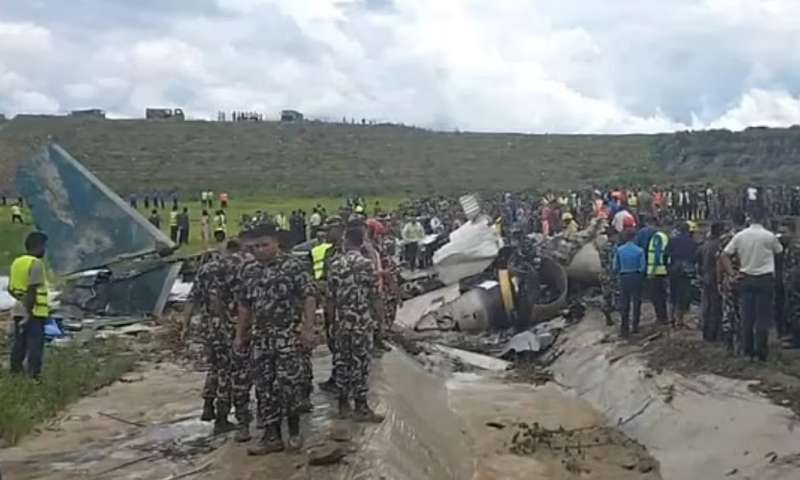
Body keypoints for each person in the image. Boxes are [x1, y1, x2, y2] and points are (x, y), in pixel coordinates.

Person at [236, 223, 318, 454]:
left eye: (265, 245)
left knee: (289, 385)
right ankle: (271, 437)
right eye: (256, 246)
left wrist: (308, 328)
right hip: (261, 339)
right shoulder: (249, 270)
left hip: (288, 336)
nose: (260, 250)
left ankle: (293, 432)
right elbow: (244, 305)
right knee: (264, 388)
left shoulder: (293, 266)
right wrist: (239, 335)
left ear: (276, 244)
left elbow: (309, 296)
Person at [180, 240, 252, 438]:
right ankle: (225, 417)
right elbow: (246, 303)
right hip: (234, 328)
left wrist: (185, 324)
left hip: (211, 328)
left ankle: (208, 405)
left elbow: (192, 298)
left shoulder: (206, 269)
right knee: (235, 373)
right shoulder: (242, 268)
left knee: (216, 367)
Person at [328, 222, 385, 422]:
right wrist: (380, 322)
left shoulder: (335, 264)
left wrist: (331, 323)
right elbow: (374, 296)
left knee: (342, 362)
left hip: (341, 321)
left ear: (345, 242)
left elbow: (330, 297)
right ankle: (361, 406)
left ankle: (343, 405)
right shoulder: (366, 264)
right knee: (360, 363)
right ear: (361, 243)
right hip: (361, 321)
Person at [721, 210, 783, 361]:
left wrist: (732, 274)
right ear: (764, 220)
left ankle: (747, 352)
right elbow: (779, 252)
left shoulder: (740, 236)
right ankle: (761, 353)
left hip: (746, 279)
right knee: (763, 317)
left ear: (750, 220)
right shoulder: (769, 236)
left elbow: (724, 255)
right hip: (765, 279)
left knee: (747, 316)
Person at [8, 232, 49, 378]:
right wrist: (29, 312)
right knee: (35, 346)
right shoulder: (36, 264)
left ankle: (15, 373)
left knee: (19, 343)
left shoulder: (17, 262)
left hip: (18, 309)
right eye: (44, 246)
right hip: (34, 311)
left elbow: (10, 288)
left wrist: (21, 300)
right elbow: (32, 290)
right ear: (38, 247)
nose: (45, 250)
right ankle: (34, 377)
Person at [613, 228, 646, 338]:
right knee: (636, 302)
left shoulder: (619, 250)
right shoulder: (640, 251)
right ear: (634, 237)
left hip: (624, 277)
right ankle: (635, 327)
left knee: (624, 303)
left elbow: (615, 266)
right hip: (636, 276)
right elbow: (642, 267)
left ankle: (624, 328)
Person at [665, 221, 698, 328]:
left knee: (672, 295)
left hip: (674, 270)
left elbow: (665, 255)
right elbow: (695, 258)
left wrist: (667, 267)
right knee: (682, 296)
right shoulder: (692, 243)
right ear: (688, 231)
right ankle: (680, 320)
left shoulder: (672, 240)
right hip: (686, 271)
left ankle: (671, 320)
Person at [700, 222, 725, 341]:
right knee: (716, 307)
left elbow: (698, 260)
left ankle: (706, 332)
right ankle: (714, 334)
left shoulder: (705, 245)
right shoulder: (719, 245)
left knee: (706, 306)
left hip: (706, 278)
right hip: (715, 278)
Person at [646, 218, 670, 325]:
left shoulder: (657, 237)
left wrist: (652, 271)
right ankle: (663, 317)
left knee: (656, 296)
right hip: (662, 270)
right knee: (661, 296)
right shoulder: (665, 237)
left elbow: (656, 254)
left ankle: (661, 318)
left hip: (656, 272)